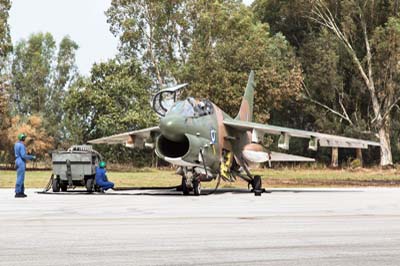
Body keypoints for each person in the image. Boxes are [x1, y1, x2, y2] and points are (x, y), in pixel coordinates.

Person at [14, 133, 36, 198]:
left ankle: (21, 191)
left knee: (19, 176)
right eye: (24, 138)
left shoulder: (16, 144)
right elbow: (23, 155)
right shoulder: (21, 145)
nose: (24, 139)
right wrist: (32, 157)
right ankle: (18, 192)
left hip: (17, 160)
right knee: (21, 177)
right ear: (22, 138)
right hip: (21, 161)